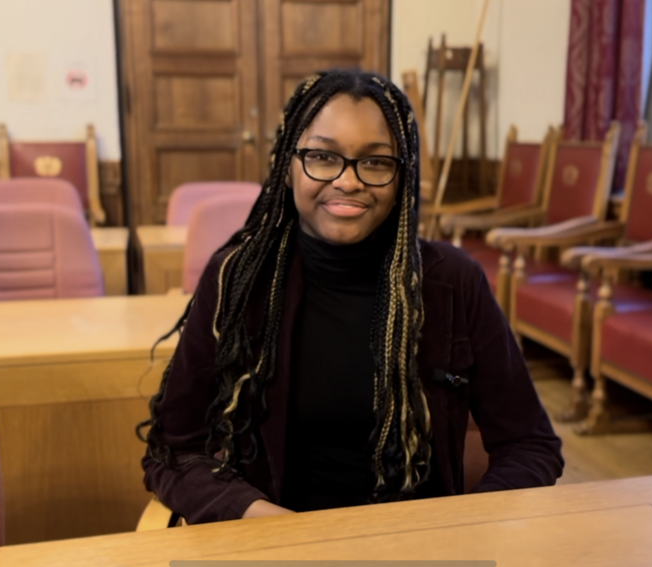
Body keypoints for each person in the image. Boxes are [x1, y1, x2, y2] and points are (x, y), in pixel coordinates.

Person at [140, 69, 563, 524]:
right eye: (323, 156)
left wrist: (463, 526)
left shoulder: (453, 283)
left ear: (402, 177)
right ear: (289, 165)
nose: (348, 180)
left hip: (418, 547)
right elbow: (173, 450)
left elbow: (530, 445)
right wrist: (261, 519)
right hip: (273, 544)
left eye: (376, 162)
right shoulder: (238, 280)